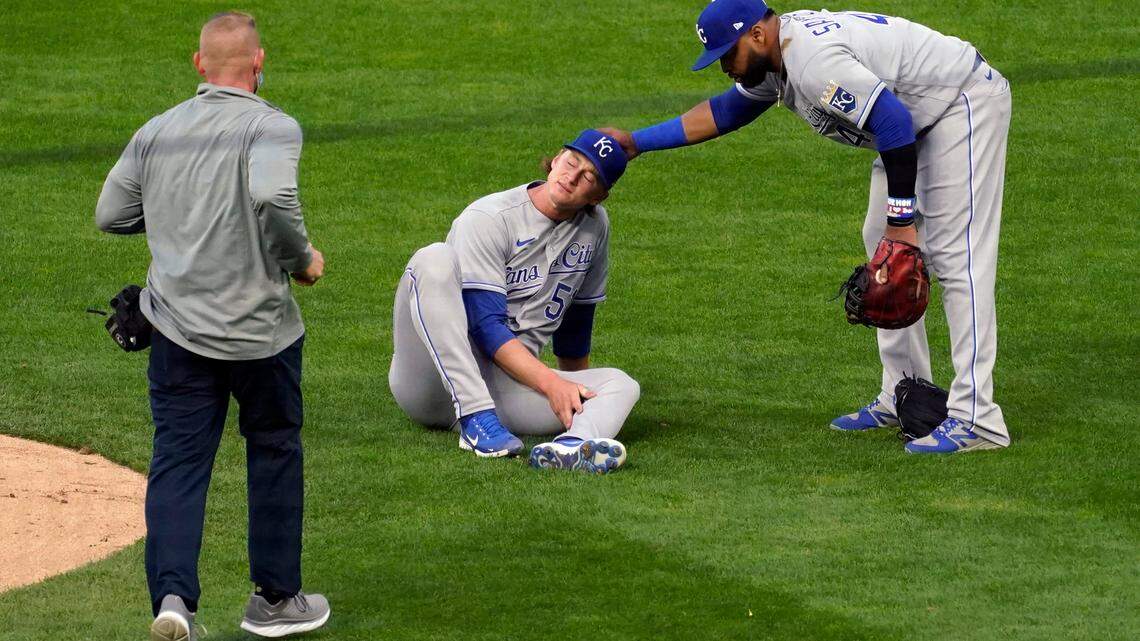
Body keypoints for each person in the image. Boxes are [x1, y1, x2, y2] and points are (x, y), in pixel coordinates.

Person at [602, 1, 1011, 454]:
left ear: (757, 35)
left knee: (957, 258)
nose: (723, 67)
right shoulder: (774, 59)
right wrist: (637, 142)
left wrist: (903, 223)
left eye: (726, 54)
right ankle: (903, 392)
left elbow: (892, 120)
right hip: (916, 126)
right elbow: (724, 113)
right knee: (885, 259)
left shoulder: (812, 61)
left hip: (961, 105)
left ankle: (978, 419)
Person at [95, 12, 330, 640]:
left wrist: (178, 218)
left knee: (177, 462)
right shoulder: (272, 125)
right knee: (274, 451)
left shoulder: (159, 130)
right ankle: (276, 601)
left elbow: (111, 213)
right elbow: (275, 200)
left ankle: (174, 601)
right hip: (263, 337)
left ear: (200, 66)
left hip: (176, 331)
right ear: (259, 63)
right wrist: (300, 259)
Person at [389, 129, 641, 473]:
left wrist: (573, 394)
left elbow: (577, 318)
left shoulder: (595, 228)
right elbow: (484, 325)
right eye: (572, 161)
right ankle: (475, 417)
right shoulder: (490, 218)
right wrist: (551, 384)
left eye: (589, 176)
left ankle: (570, 448)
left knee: (620, 384)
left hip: (506, 390)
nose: (573, 176)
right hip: (432, 382)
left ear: (599, 196)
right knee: (433, 259)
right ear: (555, 159)